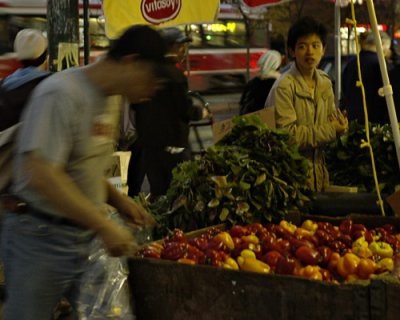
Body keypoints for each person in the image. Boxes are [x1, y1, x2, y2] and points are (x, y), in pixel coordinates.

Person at [0, 25, 165, 319]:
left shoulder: (112, 98)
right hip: (38, 238)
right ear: (130, 62)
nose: (153, 89)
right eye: (152, 78)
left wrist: (119, 201)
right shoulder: (60, 94)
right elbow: (41, 172)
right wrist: (103, 226)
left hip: (85, 237)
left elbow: (78, 168)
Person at [265, 16, 348, 192]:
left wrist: (340, 127)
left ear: (323, 50)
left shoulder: (325, 82)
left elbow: (329, 124)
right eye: (302, 46)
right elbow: (287, 136)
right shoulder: (284, 86)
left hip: (320, 177)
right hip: (291, 181)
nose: (310, 52)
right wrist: (331, 130)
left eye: (315, 45)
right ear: (292, 51)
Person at [128, 27, 205, 198]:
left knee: (159, 191)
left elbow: (136, 106)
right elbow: (183, 109)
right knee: (179, 193)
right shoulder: (174, 75)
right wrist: (200, 113)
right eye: (181, 46)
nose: (183, 51)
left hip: (150, 146)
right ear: (172, 46)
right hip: (174, 145)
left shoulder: (146, 73)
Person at [342, 31, 392, 125]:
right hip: (374, 124)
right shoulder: (381, 65)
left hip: (352, 123)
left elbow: (344, 89)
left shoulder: (352, 63)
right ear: (382, 44)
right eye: (387, 47)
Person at [239, 49, 282, 115]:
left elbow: (242, 103)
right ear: (277, 65)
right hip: (269, 121)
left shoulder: (252, 82)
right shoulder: (279, 83)